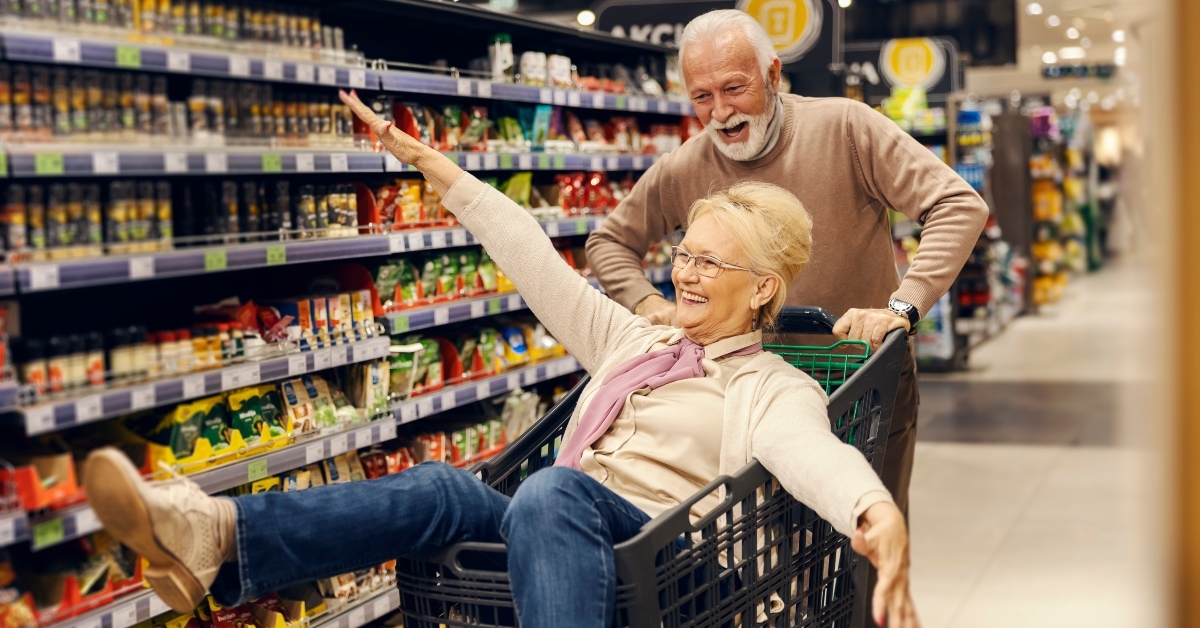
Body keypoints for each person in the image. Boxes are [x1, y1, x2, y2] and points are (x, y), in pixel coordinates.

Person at [81, 89, 920, 628]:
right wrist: (430, 165)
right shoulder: (641, 340)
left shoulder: (769, 387)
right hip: (568, 552)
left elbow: (816, 455)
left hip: (670, 577)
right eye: (685, 255)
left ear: (764, 288)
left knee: (554, 488)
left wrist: (876, 519)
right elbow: (532, 259)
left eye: (711, 263)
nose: (686, 274)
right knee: (454, 489)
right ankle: (207, 533)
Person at [586, 10, 990, 516]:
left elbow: (958, 204)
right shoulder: (685, 166)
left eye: (735, 88)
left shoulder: (845, 127)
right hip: (742, 399)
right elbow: (609, 242)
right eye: (702, 97)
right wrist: (647, 302)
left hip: (861, 380)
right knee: (776, 567)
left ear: (774, 75)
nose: (721, 112)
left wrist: (903, 306)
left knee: (864, 543)